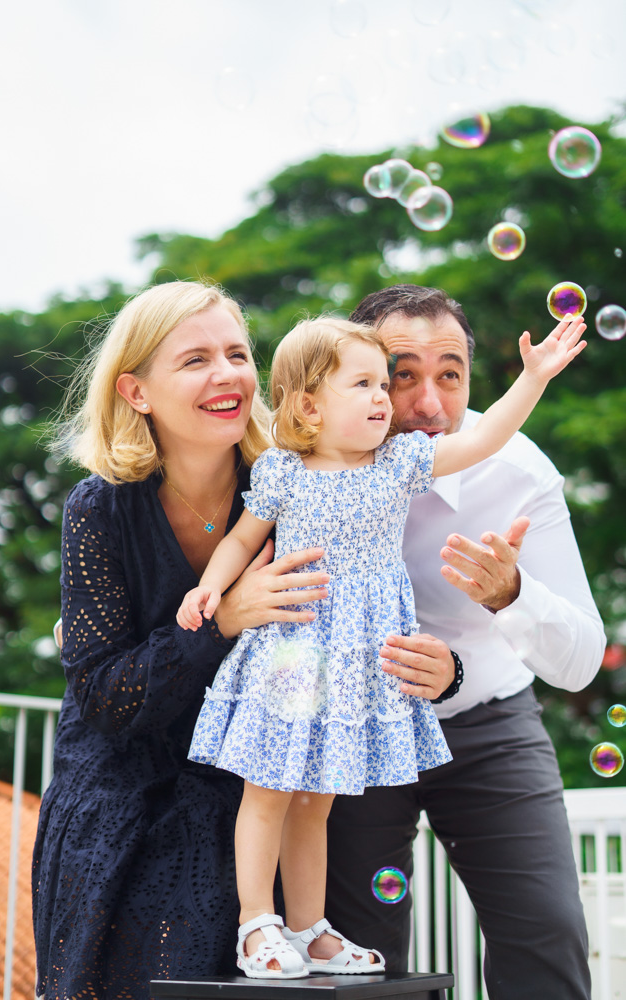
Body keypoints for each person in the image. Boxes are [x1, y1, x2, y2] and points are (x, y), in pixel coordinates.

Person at [176, 312, 586, 980]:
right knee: (271, 790)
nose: (383, 400)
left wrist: (534, 377)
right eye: (370, 383)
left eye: (378, 385)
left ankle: (310, 930)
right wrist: (211, 590)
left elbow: (484, 436)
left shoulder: (399, 462)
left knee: (317, 801)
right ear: (309, 403)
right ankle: (259, 925)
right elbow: (240, 539)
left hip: (371, 674)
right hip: (293, 657)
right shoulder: (283, 470)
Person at [31, 280, 333, 1000]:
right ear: (136, 392)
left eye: (236, 353)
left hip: (250, 807)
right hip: (115, 811)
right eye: (195, 359)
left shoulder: (292, 490)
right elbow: (105, 699)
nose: (227, 374)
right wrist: (226, 618)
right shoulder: (98, 508)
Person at [325, 285, 606, 1000]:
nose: (427, 403)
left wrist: (510, 596)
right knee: (355, 952)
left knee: (547, 929)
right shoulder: (308, 465)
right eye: (401, 372)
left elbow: (576, 663)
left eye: (448, 373)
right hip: (355, 737)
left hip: (488, 723)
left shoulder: (515, 471)